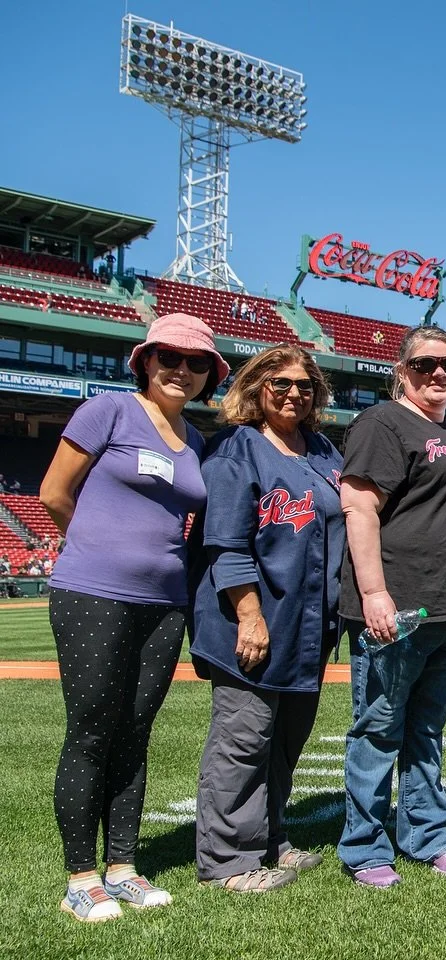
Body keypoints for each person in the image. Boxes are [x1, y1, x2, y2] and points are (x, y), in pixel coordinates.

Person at [39, 312, 225, 921]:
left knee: (135, 733)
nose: (182, 369)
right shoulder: (109, 411)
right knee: (92, 730)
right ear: (145, 360)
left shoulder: (194, 440)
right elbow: (53, 493)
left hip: (164, 602)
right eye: (169, 356)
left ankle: (123, 867)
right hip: (94, 592)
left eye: (197, 362)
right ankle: (79, 877)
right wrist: (94, 550)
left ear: (208, 375)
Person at [337, 325, 446, 888]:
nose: (437, 373)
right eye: (424, 364)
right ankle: (365, 846)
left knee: (426, 729)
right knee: (379, 727)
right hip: (401, 609)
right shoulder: (383, 422)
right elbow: (359, 508)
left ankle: (425, 835)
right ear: (401, 370)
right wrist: (373, 593)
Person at [189, 345, 344, 892]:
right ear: (256, 388)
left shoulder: (323, 450)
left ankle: (272, 839)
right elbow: (226, 545)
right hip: (251, 622)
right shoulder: (236, 447)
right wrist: (250, 617)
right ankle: (228, 862)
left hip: (307, 628)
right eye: (280, 384)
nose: (293, 394)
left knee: (284, 741)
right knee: (244, 739)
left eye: (304, 386)